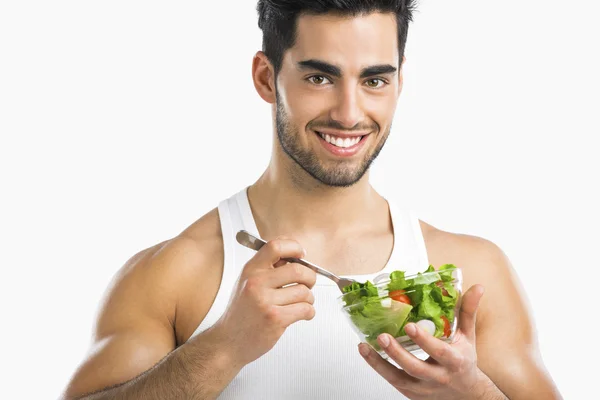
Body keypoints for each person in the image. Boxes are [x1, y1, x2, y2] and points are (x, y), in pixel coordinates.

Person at [61, 1, 563, 399]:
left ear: (399, 83)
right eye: (319, 77)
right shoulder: (176, 274)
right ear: (266, 78)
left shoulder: (470, 272)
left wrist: (474, 396)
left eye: (374, 80)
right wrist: (222, 350)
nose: (349, 113)